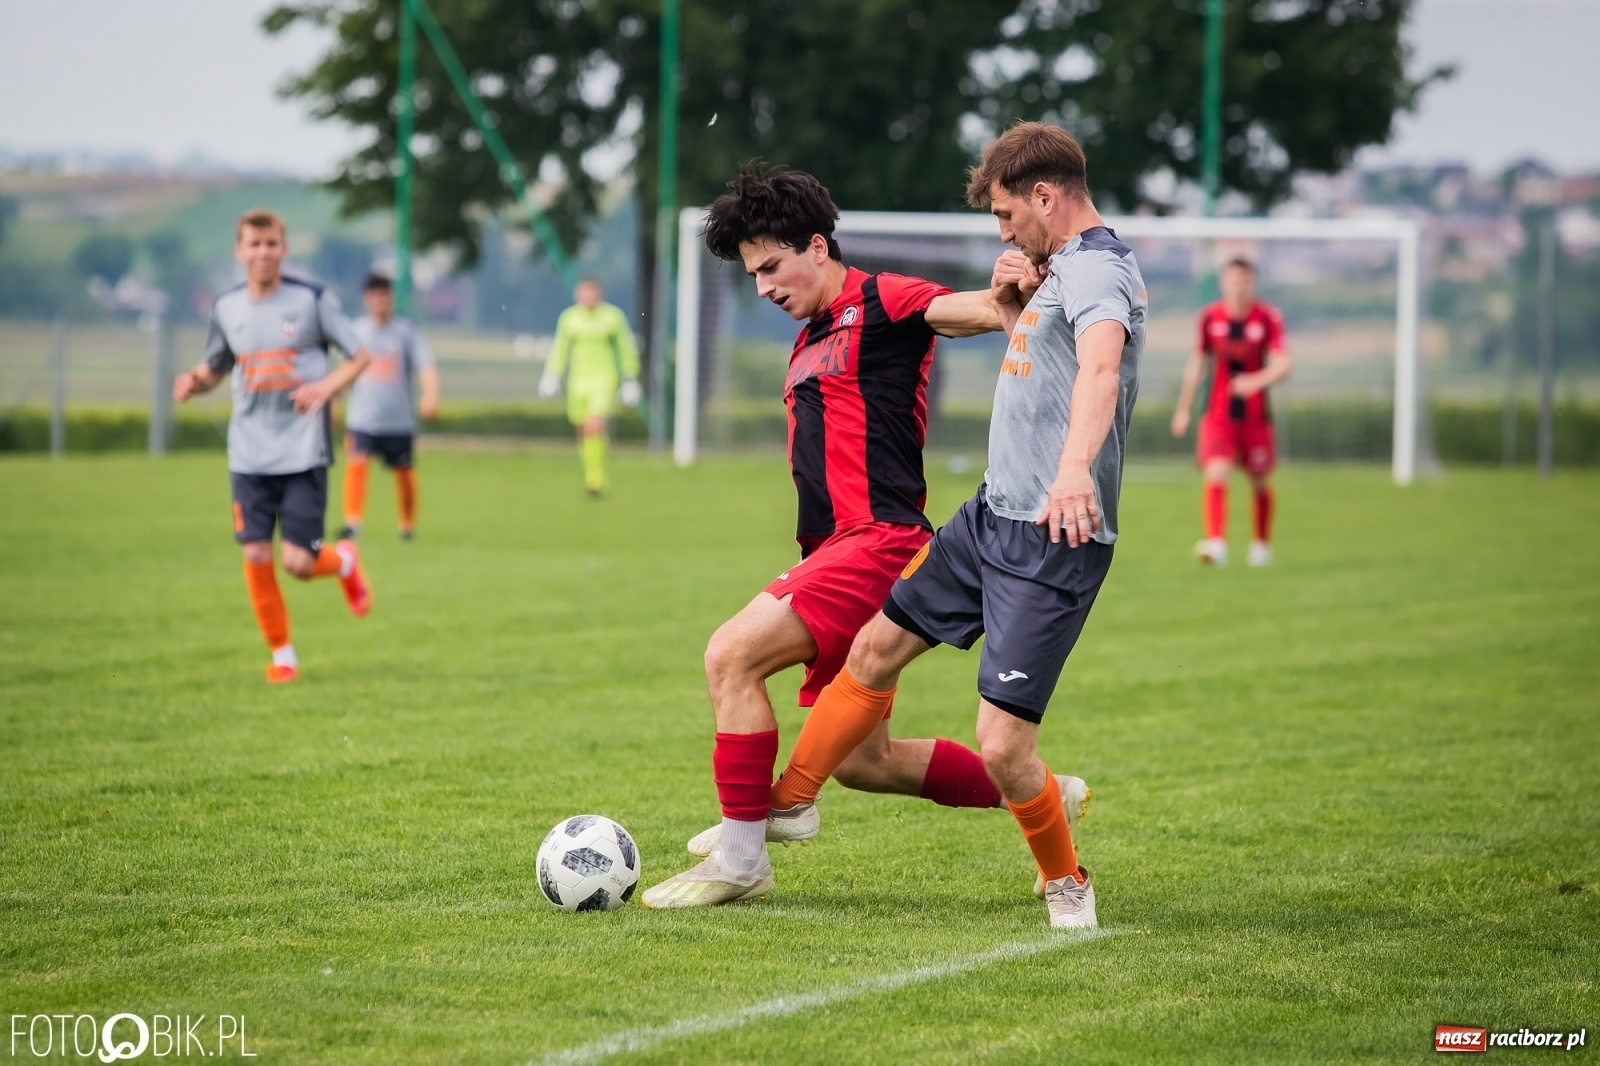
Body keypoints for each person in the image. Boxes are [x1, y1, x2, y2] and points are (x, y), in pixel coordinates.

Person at [667, 124, 1146, 928]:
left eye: (771, 267)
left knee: (731, 654)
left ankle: (747, 848)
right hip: (937, 528)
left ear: (817, 247)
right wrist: (1017, 294)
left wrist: (996, 306)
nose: (762, 287)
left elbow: (956, 313)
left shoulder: (878, 298)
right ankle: (1038, 793)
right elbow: (1021, 315)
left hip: (879, 540)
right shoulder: (812, 339)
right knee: (865, 759)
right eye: (750, 275)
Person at [173, 209, 374, 683]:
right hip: (248, 453)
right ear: (239, 251)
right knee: (257, 555)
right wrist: (193, 383)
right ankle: (283, 656)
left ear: (284, 249)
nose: (263, 253)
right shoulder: (227, 308)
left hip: (303, 450)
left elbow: (361, 356)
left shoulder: (311, 301)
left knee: (299, 564)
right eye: (254, 245)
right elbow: (215, 367)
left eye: (271, 244)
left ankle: (343, 560)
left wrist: (325, 388)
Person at [1170, 258, 1291, 567]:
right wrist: (1183, 410)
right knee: (1217, 472)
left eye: (1244, 280)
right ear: (1223, 283)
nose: (1238, 286)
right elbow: (1197, 365)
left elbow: (1283, 364)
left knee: (1260, 481)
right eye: (1232, 280)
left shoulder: (1267, 318)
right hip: (1218, 414)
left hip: (1255, 416)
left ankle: (1261, 546)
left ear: (1252, 283)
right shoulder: (1210, 318)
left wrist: (1256, 381)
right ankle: (1216, 544)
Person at [338, 273, 439, 541]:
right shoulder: (356, 331)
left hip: (398, 420)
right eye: (375, 296)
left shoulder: (406, 331)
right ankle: (352, 523)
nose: (380, 301)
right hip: (362, 417)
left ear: (391, 298)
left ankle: (407, 526)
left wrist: (430, 393)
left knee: (404, 473)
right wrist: (332, 401)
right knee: (356, 463)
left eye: (385, 296)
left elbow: (425, 365)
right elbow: (344, 370)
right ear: (366, 299)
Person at [539, 278, 642, 497]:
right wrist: (551, 374)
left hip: (604, 379)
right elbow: (560, 348)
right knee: (583, 430)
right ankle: (591, 472)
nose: (588, 299)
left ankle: (595, 479)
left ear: (599, 295)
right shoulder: (569, 318)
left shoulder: (612, 317)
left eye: (592, 294)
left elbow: (625, 347)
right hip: (577, 382)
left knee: (594, 425)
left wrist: (630, 377)